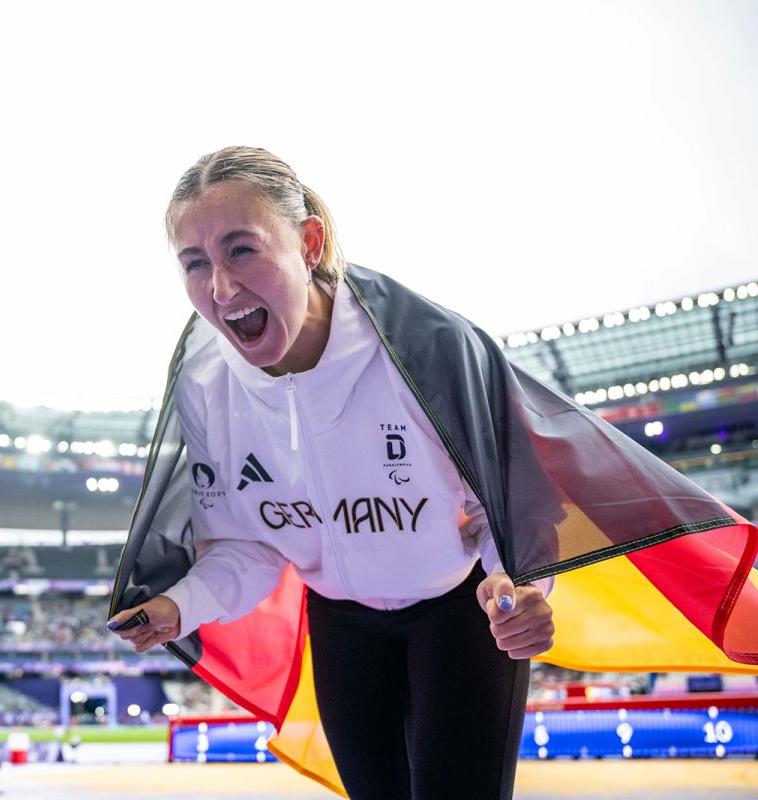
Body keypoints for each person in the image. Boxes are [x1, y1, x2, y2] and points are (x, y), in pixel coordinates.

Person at [108, 146, 758, 800]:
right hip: (343, 622)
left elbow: (514, 503)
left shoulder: (426, 348)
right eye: (194, 263)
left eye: (241, 250)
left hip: (460, 612)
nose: (219, 288)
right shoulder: (204, 385)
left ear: (309, 242)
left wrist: (518, 588)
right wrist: (176, 605)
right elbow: (250, 546)